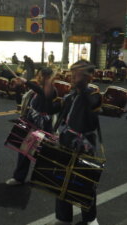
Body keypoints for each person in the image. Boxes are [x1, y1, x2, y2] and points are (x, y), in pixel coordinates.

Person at [46, 60, 102, 225]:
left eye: (77, 72)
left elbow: (90, 106)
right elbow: (50, 108)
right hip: (66, 143)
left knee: (85, 183)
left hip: (85, 146)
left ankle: (90, 218)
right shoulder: (69, 96)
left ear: (89, 76)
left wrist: (82, 84)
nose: (72, 76)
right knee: (62, 182)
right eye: (72, 72)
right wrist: (49, 84)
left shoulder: (94, 94)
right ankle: (63, 217)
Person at [5, 67, 57, 185]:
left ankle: (45, 178)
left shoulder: (51, 90)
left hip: (43, 127)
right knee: (24, 151)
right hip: (32, 124)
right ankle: (19, 177)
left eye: (40, 76)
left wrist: (26, 82)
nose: (37, 78)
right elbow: (19, 101)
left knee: (43, 155)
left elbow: (42, 92)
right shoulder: (34, 92)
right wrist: (18, 87)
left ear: (48, 78)